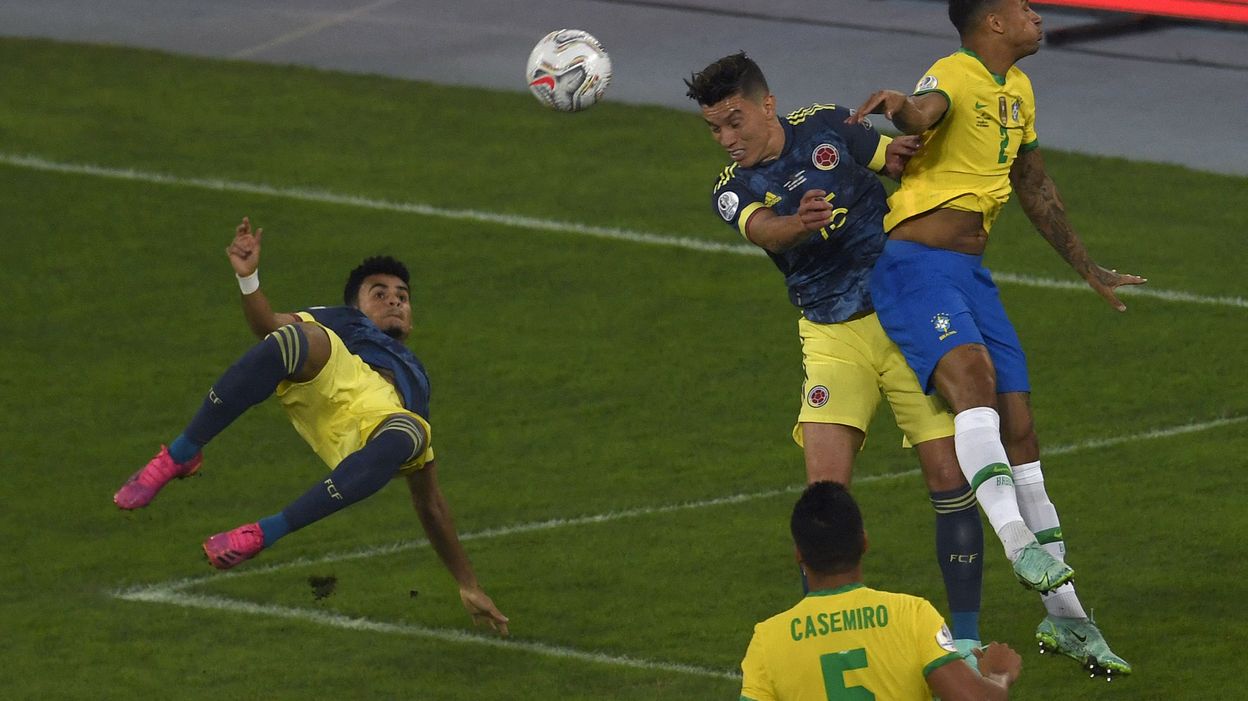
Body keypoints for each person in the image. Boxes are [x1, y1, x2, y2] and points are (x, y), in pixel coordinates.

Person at [846, 0, 1143, 676]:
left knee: (1021, 425)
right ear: (993, 24)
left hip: (968, 274)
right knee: (974, 383)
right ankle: (1017, 542)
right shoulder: (955, 69)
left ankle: (1069, 620)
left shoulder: (1020, 89)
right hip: (914, 268)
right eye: (1024, 8)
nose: (1038, 15)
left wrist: (1086, 265)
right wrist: (900, 106)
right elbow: (925, 109)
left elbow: (1033, 184)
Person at [685, 52, 998, 662]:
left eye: (734, 121)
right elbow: (765, 232)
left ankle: (966, 639)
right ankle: (827, 636)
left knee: (949, 477)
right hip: (831, 339)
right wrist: (797, 223)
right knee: (824, 499)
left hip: (903, 320)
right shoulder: (734, 190)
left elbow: (897, 159)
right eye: (714, 129)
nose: (726, 139)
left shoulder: (829, 125)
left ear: (767, 105)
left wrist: (931, 141)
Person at [113, 217, 509, 636]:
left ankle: (264, 532)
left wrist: (467, 583)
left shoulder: (417, 382)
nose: (395, 301)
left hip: (372, 426)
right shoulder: (343, 322)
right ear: (357, 305)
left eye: (403, 297)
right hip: (332, 378)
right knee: (296, 338)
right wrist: (248, 279)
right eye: (380, 293)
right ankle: (180, 454)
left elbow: (430, 501)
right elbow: (267, 324)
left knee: (412, 434)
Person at [740, 481, 1022, 701]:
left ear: (799, 554)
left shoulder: (768, 640)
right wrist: (998, 675)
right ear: (864, 542)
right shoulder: (912, 616)